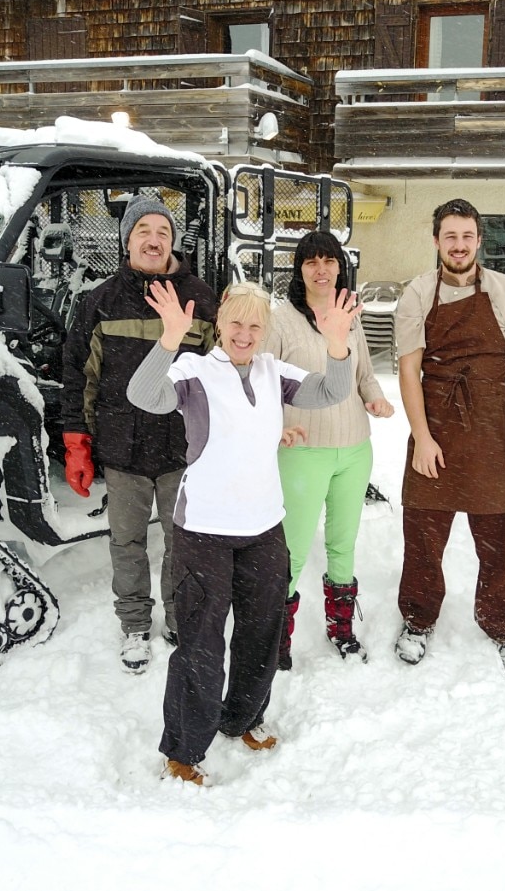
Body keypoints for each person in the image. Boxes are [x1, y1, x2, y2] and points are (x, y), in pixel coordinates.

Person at [127, 278, 360, 786]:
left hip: (263, 528)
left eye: (256, 325)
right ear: (219, 323)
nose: (245, 333)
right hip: (203, 531)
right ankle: (185, 750)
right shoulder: (194, 370)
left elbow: (333, 391)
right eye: (236, 322)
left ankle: (243, 718)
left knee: (262, 634)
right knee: (200, 644)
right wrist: (169, 337)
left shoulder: (273, 372)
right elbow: (143, 395)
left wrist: (338, 346)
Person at [61, 194, 218, 674]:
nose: (154, 240)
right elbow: (78, 376)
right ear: (127, 240)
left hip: (182, 449)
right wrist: (76, 442)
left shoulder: (201, 299)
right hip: (122, 447)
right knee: (126, 543)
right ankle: (133, 623)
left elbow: (220, 374)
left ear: (173, 240)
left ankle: (178, 618)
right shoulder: (101, 302)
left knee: (183, 543)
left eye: (162, 232)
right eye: (143, 231)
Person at [393, 198, 505, 680]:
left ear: (479, 240)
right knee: (423, 538)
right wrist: (422, 437)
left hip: (493, 429)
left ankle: (501, 621)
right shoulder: (416, 294)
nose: (459, 245)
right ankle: (417, 618)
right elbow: (409, 370)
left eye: (467, 236)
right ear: (436, 241)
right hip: (435, 426)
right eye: (450, 236)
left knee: (500, 538)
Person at [265, 232, 395, 669]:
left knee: (343, 543)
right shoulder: (281, 320)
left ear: (340, 266)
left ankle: (341, 627)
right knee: (294, 547)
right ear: (298, 270)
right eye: (310, 262)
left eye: (329, 261)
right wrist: (279, 427)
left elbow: (362, 373)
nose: (321, 269)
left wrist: (374, 397)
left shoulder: (349, 314)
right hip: (304, 450)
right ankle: (275, 635)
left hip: (355, 448)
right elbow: (266, 384)